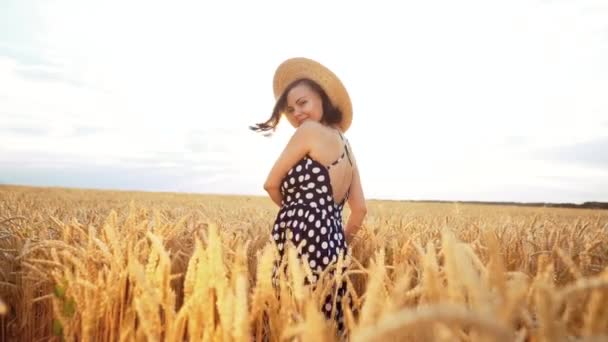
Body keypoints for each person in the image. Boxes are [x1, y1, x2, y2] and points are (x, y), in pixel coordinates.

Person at [250, 57, 367, 334]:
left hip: (297, 237)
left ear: (323, 99)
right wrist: (335, 239)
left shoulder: (309, 131)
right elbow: (360, 210)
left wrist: (298, 211)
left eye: (303, 103)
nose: (296, 113)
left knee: (289, 316)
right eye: (290, 109)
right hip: (334, 243)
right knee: (323, 323)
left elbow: (270, 184)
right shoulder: (347, 147)